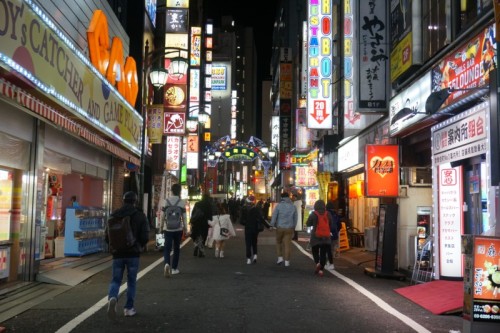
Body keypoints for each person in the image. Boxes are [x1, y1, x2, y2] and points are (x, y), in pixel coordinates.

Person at [105, 191, 149, 319]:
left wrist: (114, 247)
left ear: (123, 201)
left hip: (117, 254)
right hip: (133, 253)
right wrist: (140, 246)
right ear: (135, 201)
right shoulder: (140, 215)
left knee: (115, 279)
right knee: (131, 281)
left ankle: (113, 297)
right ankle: (129, 308)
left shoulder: (114, 215)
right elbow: (145, 236)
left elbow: (107, 236)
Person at [161, 183, 188, 277]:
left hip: (167, 228)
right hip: (178, 229)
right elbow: (184, 217)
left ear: (171, 191)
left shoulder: (166, 201)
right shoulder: (181, 202)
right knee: (176, 248)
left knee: (167, 248)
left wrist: (160, 227)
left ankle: (167, 263)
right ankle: (174, 268)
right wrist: (186, 229)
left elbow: (162, 216)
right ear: (179, 191)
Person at [306, 199, 333, 277]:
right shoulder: (328, 214)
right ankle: (321, 270)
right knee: (323, 253)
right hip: (326, 236)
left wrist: (313, 223)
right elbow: (331, 224)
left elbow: (308, 223)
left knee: (315, 251)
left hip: (316, 236)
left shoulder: (313, 214)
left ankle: (317, 263)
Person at [270, 192, 297, 267]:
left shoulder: (279, 206)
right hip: (289, 228)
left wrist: (271, 225)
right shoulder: (293, 206)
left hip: (280, 227)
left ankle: (280, 258)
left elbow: (274, 215)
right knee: (287, 244)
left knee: (278, 242)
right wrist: (293, 227)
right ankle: (287, 262)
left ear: (282, 198)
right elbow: (295, 218)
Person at [240, 195, 266, 264]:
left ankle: (248, 258)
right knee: (254, 243)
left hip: (248, 228)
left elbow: (241, 221)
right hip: (255, 229)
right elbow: (261, 219)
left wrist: (246, 223)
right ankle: (255, 256)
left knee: (248, 244)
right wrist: (269, 226)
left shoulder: (244, 209)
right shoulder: (257, 209)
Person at [190, 193, 213, 257]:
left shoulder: (197, 204)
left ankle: (196, 245)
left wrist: (192, 221)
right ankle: (201, 251)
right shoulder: (208, 205)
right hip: (204, 223)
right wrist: (210, 221)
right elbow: (210, 215)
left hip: (196, 223)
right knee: (203, 236)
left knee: (196, 235)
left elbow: (193, 213)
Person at [325, 201, 342, 269]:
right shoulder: (336, 215)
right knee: (331, 249)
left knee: (326, 249)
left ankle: (327, 262)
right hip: (334, 235)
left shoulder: (325, 214)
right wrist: (336, 231)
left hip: (326, 234)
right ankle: (330, 263)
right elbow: (339, 225)